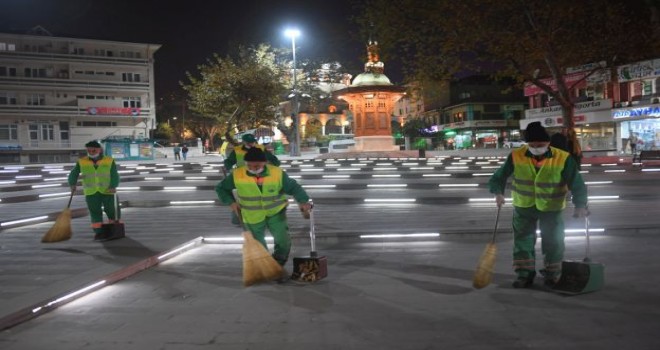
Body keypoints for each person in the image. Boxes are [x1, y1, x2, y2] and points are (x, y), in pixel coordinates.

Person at [488, 122, 589, 288]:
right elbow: (498, 177)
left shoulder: (563, 158)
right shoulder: (516, 155)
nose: (536, 148)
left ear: (548, 142)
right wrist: (498, 193)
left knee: (554, 241)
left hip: (551, 207)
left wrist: (580, 205)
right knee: (523, 242)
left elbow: (576, 183)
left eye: (540, 145)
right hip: (524, 207)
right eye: (532, 145)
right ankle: (524, 275)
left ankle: (552, 274)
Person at [215, 147, 312, 275]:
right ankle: (269, 268)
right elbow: (221, 188)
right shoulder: (238, 174)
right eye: (249, 165)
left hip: (276, 213)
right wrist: (231, 202)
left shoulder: (277, 173)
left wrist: (303, 201)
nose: (253, 168)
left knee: (283, 240)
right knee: (258, 244)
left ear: (265, 162)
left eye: (257, 166)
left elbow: (294, 187)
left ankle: (278, 262)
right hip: (251, 215)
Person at [68, 140, 122, 241]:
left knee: (112, 210)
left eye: (94, 150)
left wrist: (113, 185)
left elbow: (114, 174)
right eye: (89, 150)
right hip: (91, 192)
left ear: (99, 150)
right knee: (95, 212)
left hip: (108, 191)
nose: (91, 152)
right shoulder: (82, 161)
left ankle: (113, 229)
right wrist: (72, 183)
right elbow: (74, 173)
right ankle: (98, 232)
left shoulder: (109, 160)